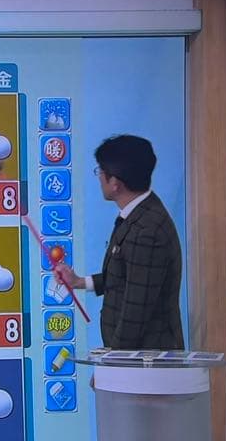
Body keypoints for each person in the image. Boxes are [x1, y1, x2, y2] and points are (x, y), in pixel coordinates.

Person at [54, 134, 184, 350]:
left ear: (115, 183)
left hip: (145, 360)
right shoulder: (139, 214)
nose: (99, 177)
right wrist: (78, 282)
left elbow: (136, 312)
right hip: (134, 358)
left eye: (101, 171)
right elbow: (127, 278)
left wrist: (113, 361)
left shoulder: (147, 231)